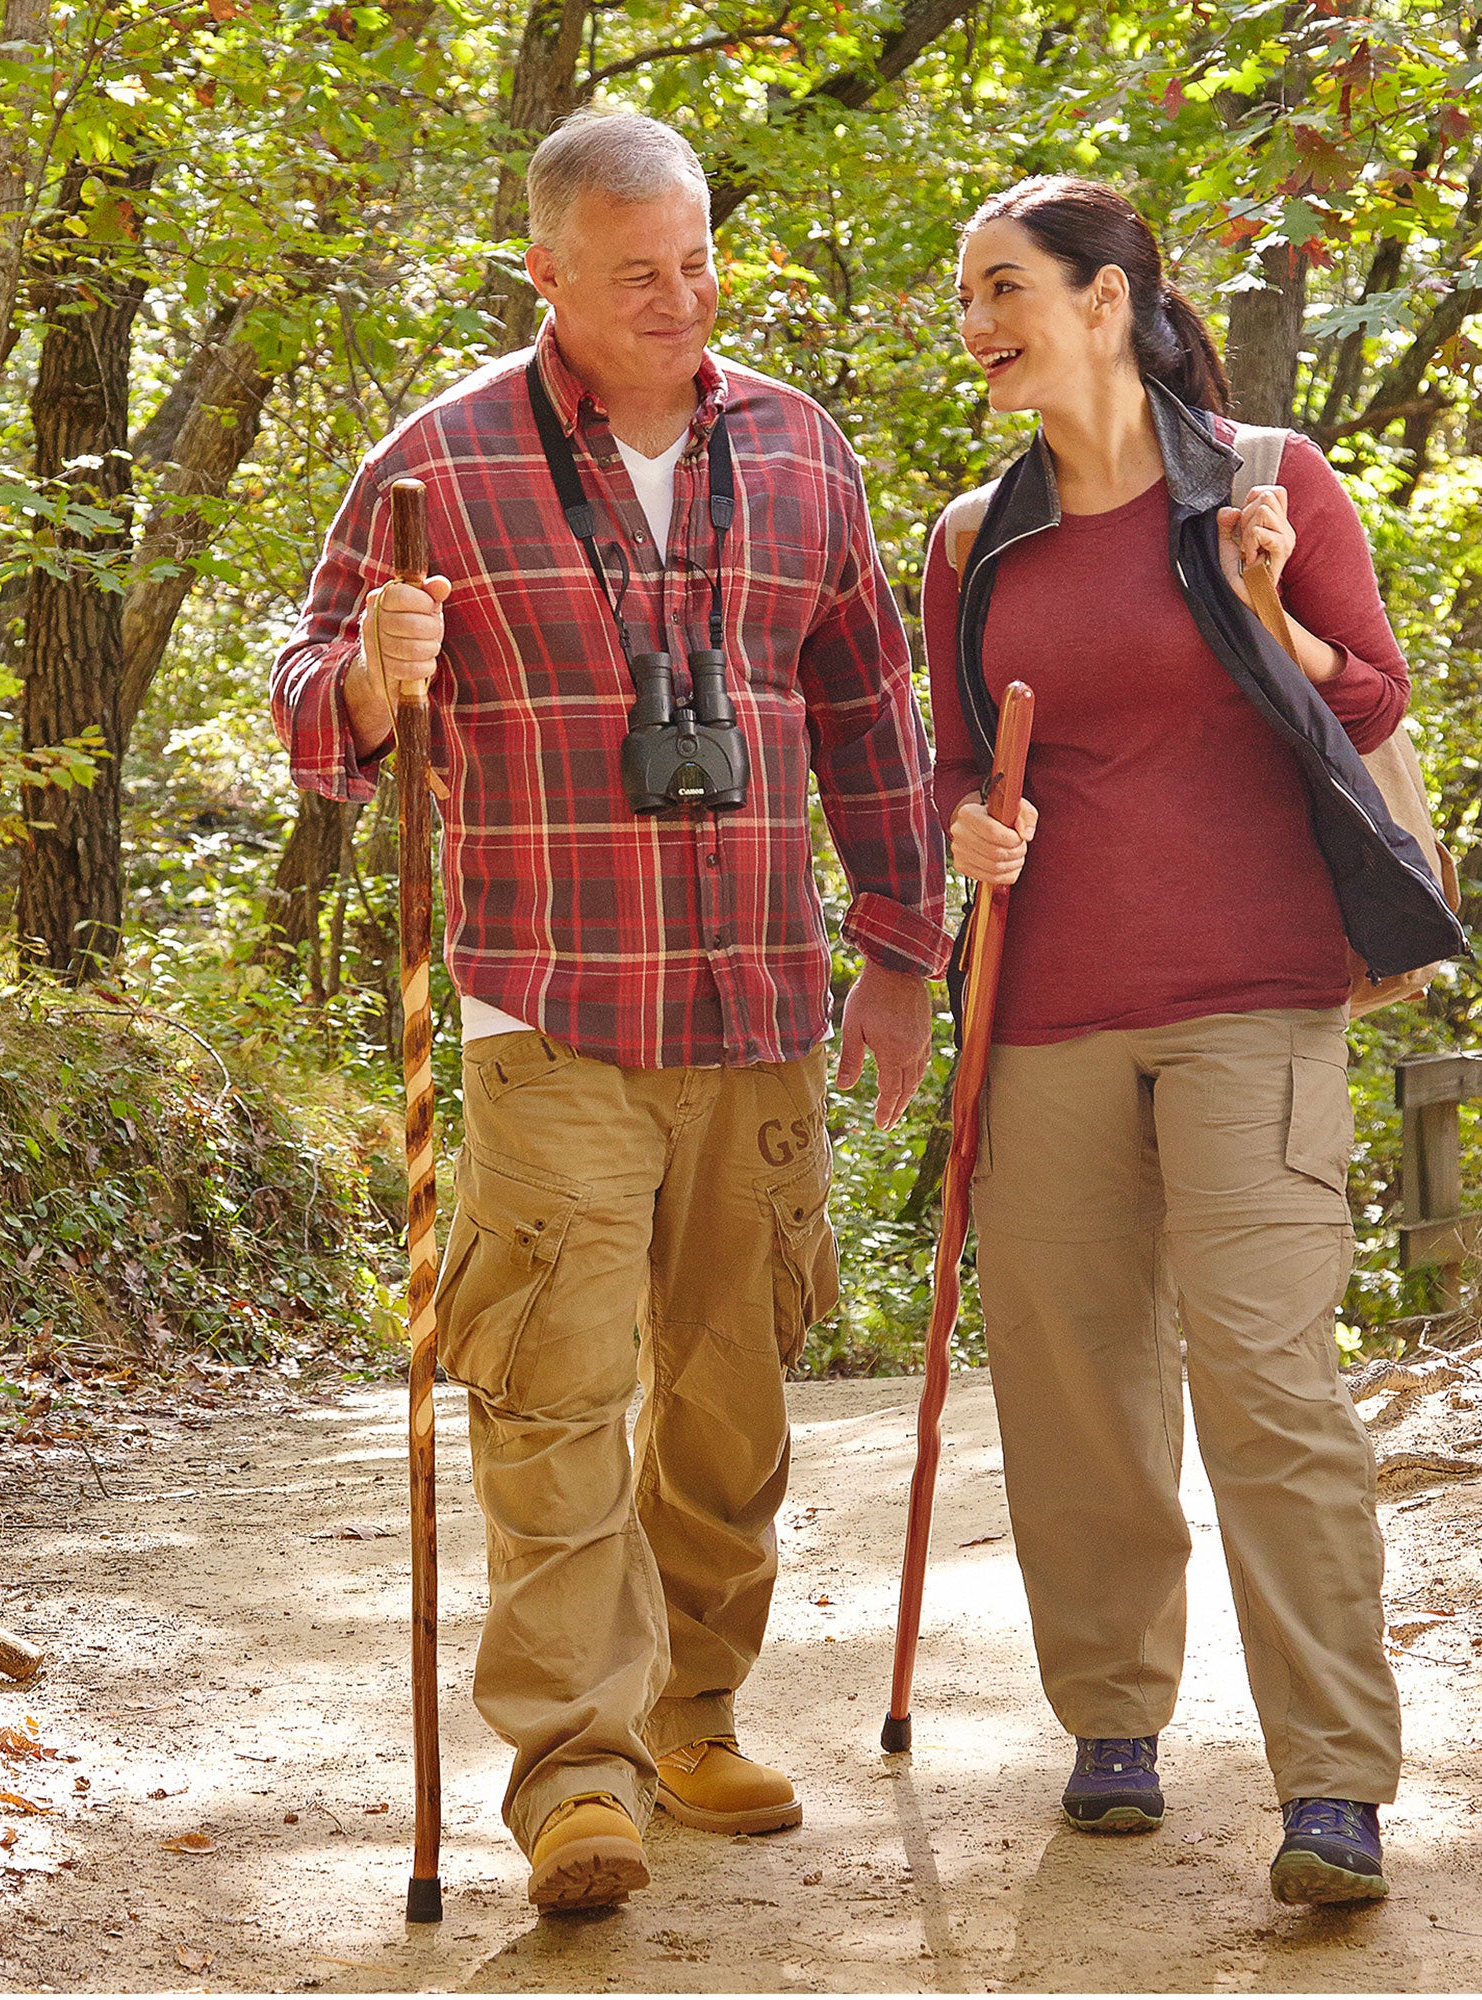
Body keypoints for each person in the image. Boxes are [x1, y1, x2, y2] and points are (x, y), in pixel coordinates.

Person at [270, 110, 948, 1914]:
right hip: (549, 1003)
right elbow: (308, 702)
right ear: (548, 271)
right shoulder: (439, 463)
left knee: (732, 1403)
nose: (680, 296)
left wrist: (900, 955)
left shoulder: (798, 446)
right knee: (554, 1395)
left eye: (699, 259)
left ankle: (693, 1713)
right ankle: (575, 1772)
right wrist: (369, 678)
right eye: (638, 270)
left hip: (758, 1006)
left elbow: (873, 710)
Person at [922, 177, 1465, 1905]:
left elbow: (1367, 693)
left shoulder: (1266, 480)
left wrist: (1270, 602)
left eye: (1005, 288)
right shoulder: (972, 539)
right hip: (1046, 1013)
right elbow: (953, 764)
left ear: (1106, 300)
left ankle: (1334, 1784)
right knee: (1075, 1389)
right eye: (965, 298)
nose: (978, 324)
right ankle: (1114, 1724)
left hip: (1257, 995)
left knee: (1267, 1381)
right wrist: (966, 831)